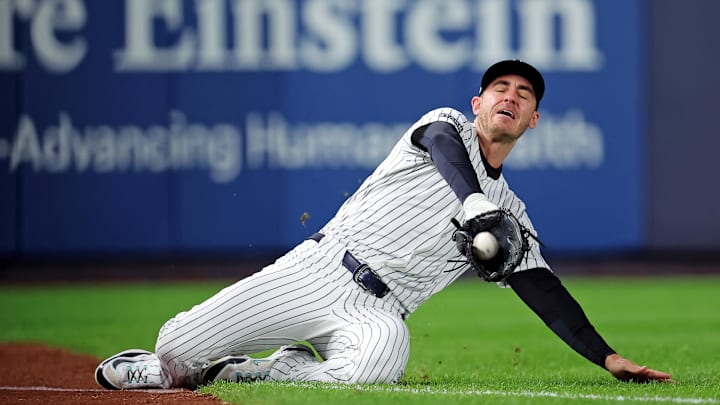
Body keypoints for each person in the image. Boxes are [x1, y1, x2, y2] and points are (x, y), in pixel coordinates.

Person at [95, 60, 672, 390]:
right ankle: (184, 360)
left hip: (379, 311)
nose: (511, 97)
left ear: (533, 120)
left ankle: (264, 375)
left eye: (524, 95)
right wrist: (472, 206)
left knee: (377, 367)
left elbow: (543, 288)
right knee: (176, 348)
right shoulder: (444, 125)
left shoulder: (512, 215)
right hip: (319, 270)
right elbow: (444, 147)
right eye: (500, 88)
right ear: (477, 103)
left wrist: (606, 356)